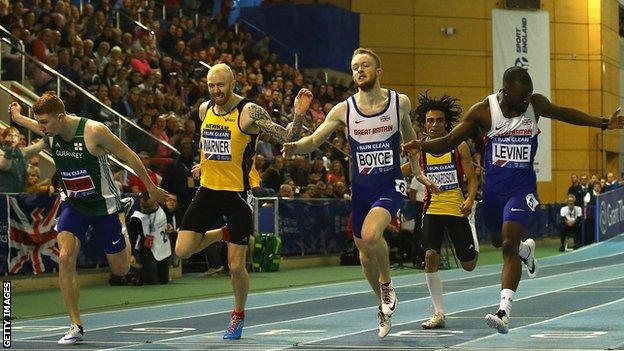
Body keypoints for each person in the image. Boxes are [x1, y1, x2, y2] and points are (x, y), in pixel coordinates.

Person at [403, 66, 624, 334]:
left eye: (528, 95)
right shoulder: (484, 111)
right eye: (520, 96)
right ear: (505, 92)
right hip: (494, 192)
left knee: (507, 244)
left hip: (522, 189)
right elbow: (448, 141)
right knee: (499, 240)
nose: (525, 101)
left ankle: (504, 311)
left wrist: (604, 123)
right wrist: (421, 146)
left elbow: (564, 113)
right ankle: (525, 251)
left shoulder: (535, 104)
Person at [8, 93, 169, 345]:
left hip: (104, 206)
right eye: (39, 122)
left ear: (61, 118)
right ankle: (75, 325)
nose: (41, 128)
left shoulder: (94, 131)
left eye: (45, 123)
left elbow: (130, 156)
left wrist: (150, 187)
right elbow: (34, 124)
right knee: (64, 257)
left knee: (121, 269)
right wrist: (17, 117)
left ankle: (122, 221)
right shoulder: (52, 129)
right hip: (74, 204)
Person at [283, 48, 420, 338]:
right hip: (361, 189)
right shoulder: (344, 110)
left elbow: (411, 140)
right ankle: (381, 307)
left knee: (371, 236)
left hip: (390, 183)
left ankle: (387, 284)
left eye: (365, 65)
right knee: (364, 255)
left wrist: (417, 171)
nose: (359, 70)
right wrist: (294, 145)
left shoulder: (399, 103)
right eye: (355, 67)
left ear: (378, 71)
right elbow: (313, 140)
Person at [174, 64, 312, 340]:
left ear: (233, 83)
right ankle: (222, 234)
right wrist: (204, 165)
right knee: (182, 250)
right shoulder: (204, 109)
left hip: (237, 194)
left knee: (236, 265)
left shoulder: (249, 112)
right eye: (211, 86)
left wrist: (298, 114)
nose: (216, 91)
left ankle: (237, 314)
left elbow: (287, 137)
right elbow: (210, 144)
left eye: (220, 86)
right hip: (208, 190)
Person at [412, 92, 479, 329]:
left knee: (469, 265)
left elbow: (472, 177)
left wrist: (470, 198)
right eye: (430, 121)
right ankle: (438, 313)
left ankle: (472, 229)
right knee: (431, 256)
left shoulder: (459, 146)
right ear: (424, 123)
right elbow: (410, 169)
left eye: (439, 120)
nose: (434, 125)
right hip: (432, 209)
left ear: (445, 122)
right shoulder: (419, 148)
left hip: (457, 209)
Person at [0, 127, 47, 193]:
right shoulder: (1, 152)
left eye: (15, 136)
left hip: (21, 194)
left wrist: (50, 134)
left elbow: (38, 146)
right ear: (4, 138)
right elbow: (5, 166)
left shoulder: (22, 152)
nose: (13, 137)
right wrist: (10, 149)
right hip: (4, 196)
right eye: (10, 135)